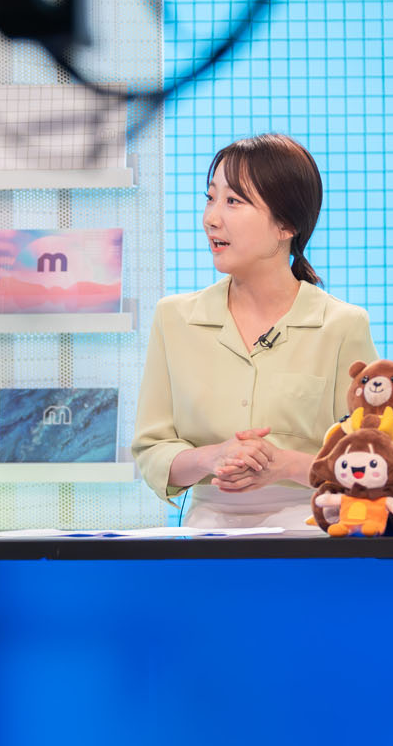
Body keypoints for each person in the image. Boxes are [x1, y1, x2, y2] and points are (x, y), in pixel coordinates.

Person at [133, 134, 378, 529]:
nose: (211, 218)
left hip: (312, 530)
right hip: (206, 534)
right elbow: (151, 450)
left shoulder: (342, 325)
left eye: (233, 201)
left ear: (286, 225)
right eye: (210, 198)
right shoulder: (173, 318)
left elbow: (375, 460)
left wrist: (286, 464)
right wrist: (211, 458)